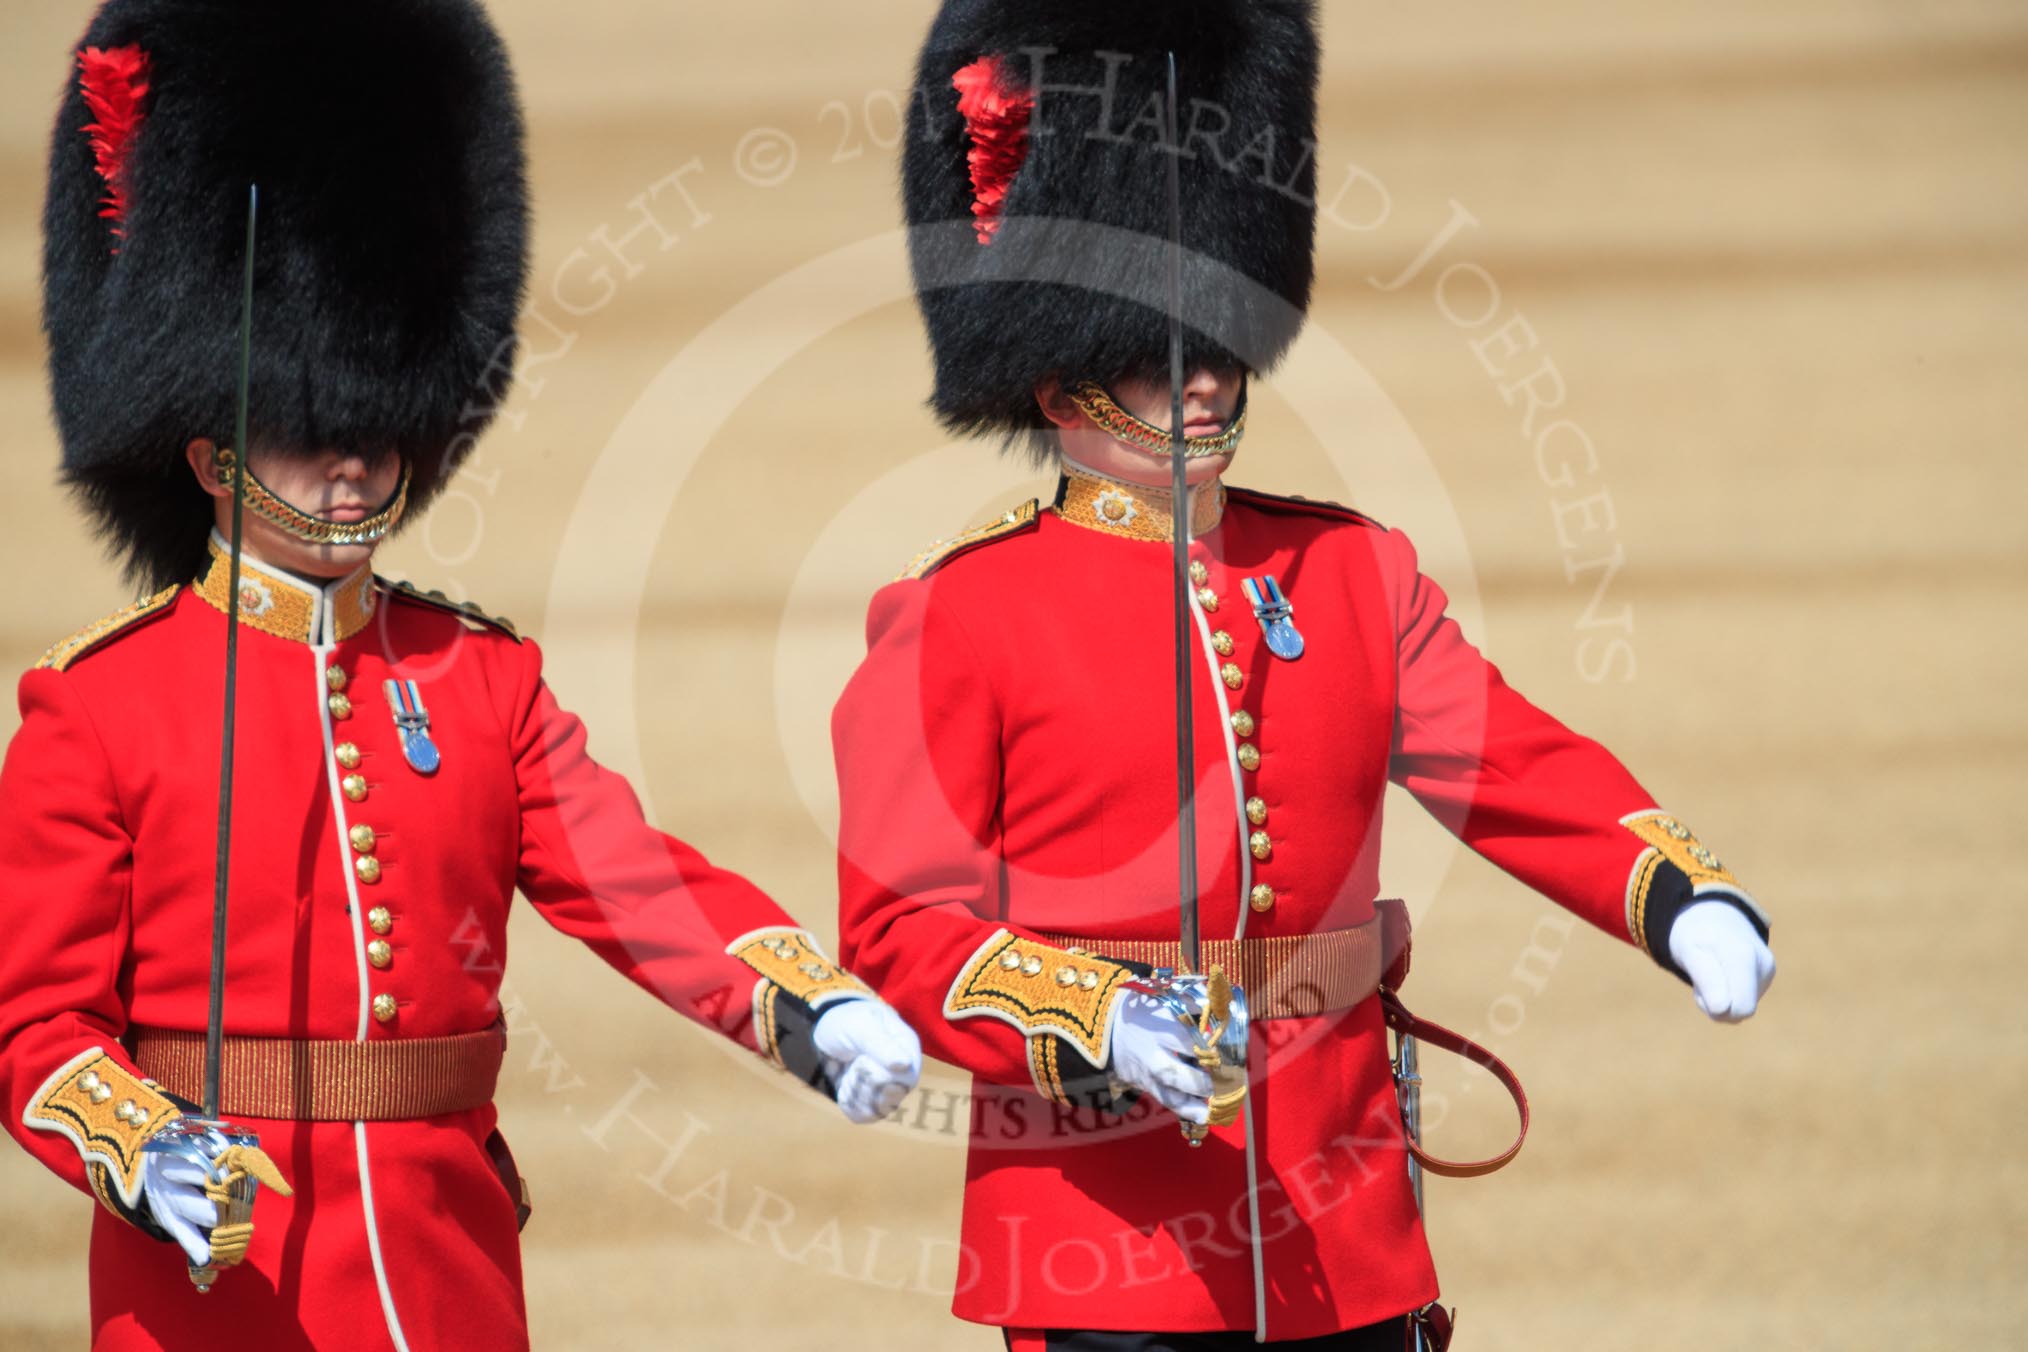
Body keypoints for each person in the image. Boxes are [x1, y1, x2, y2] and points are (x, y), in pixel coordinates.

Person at [831, 2, 1776, 1348]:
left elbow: (1508, 765)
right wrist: (1094, 1018)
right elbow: (899, 932)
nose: (1205, 378)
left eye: (1217, 341)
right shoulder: (959, 617)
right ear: (1057, 390)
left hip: (1344, 1224)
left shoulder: (1345, 575)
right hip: (1107, 1241)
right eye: (1157, 357)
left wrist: (1675, 894)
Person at [0, 2, 919, 1347]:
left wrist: (802, 1003)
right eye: (316, 436)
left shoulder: (477, 678)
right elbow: (36, 1024)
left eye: (379, 429)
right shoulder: (101, 707)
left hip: (444, 1262)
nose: (358, 466)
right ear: (210, 458)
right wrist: (139, 1148)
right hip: (219, 1264)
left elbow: (632, 881)